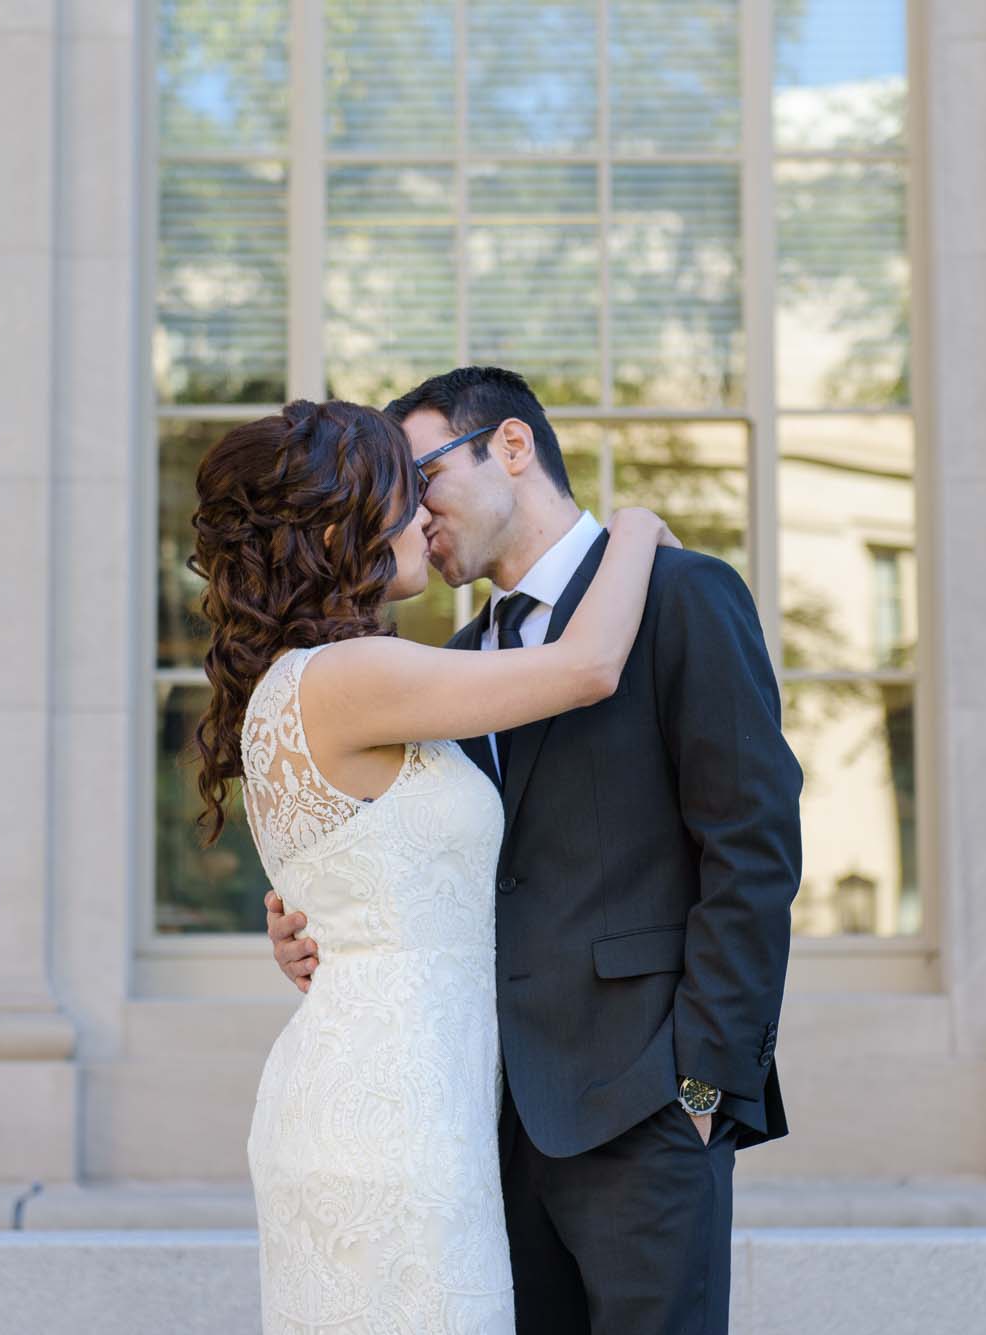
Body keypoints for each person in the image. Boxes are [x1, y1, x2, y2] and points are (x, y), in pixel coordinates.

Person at [266, 367, 803, 1334]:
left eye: (420, 472)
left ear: (510, 448)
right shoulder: (453, 666)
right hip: (485, 1130)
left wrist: (702, 1089)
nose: (409, 508)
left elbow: (753, 849)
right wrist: (320, 916)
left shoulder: (685, 596)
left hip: (647, 1110)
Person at [188, 396, 679, 1335]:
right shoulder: (354, 675)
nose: (423, 514)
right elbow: (587, 668)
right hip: (391, 1120)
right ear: (341, 523)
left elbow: (354, 865)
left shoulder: (317, 680)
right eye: (400, 492)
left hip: (394, 1096)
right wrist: (637, 529)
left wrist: (303, 925)